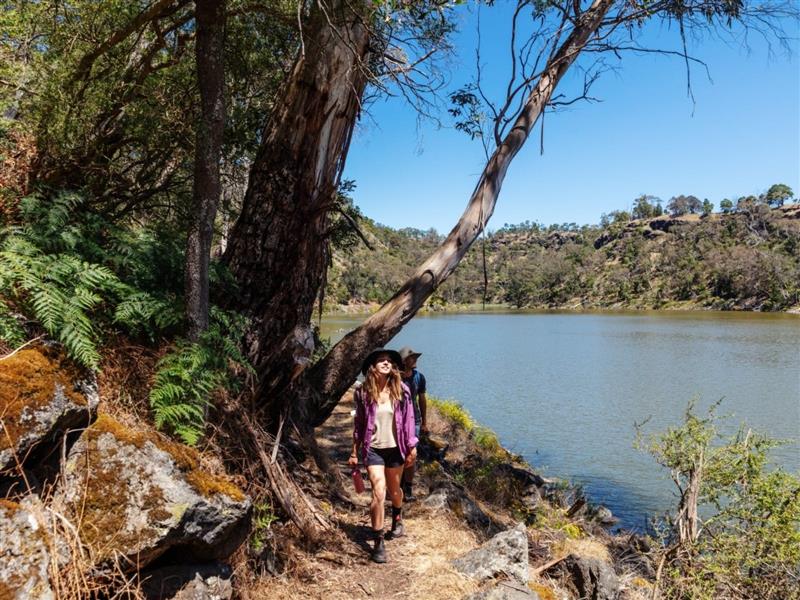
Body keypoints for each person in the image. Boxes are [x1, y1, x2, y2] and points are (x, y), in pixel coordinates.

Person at [349, 348, 418, 563]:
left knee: (395, 490)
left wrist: (411, 446)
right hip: (373, 449)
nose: (386, 363)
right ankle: (379, 541)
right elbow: (359, 424)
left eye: (389, 361)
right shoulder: (362, 393)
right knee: (378, 490)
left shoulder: (402, 391)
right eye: (381, 360)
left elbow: (408, 420)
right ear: (373, 366)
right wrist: (354, 451)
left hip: (396, 449)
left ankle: (397, 517)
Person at [398, 346, 427, 502]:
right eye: (412, 357)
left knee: (411, 454)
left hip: (414, 420)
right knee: (397, 453)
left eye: (416, 357)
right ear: (403, 361)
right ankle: (396, 485)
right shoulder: (394, 378)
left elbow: (421, 399)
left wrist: (424, 422)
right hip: (396, 420)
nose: (415, 360)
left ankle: (408, 487)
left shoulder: (419, 377)